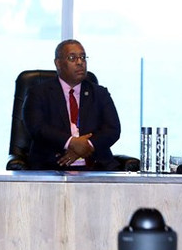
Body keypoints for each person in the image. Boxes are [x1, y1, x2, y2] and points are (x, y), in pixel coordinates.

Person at [22, 39, 122, 170]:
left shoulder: (99, 93)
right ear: (58, 63)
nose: (80, 62)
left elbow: (113, 129)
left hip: (96, 166)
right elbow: (37, 128)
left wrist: (86, 146)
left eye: (82, 57)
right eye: (72, 58)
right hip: (53, 165)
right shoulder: (39, 93)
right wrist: (71, 142)